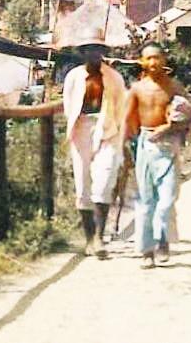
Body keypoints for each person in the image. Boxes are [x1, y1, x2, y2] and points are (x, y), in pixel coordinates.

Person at [122, 44, 191, 269]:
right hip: (145, 143)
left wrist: (172, 127)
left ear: (164, 59)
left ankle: (163, 240)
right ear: (142, 62)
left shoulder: (174, 87)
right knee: (145, 199)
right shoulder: (137, 89)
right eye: (148, 59)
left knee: (167, 199)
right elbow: (128, 120)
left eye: (157, 58)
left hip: (168, 144)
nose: (153, 63)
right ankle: (147, 250)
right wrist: (126, 148)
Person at [61, 29, 128, 259]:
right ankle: (89, 238)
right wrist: (74, 127)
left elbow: (122, 110)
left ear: (103, 52)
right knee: (83, 185)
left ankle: (100, 237)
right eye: (89, 49)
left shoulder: (114, 78)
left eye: (97, 49)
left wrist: (120, 138)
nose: (94, 54)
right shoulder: (74, 77)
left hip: (108, 130)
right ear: (82, 52)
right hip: (81, 130)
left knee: (104, 181)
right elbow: (68, 105)